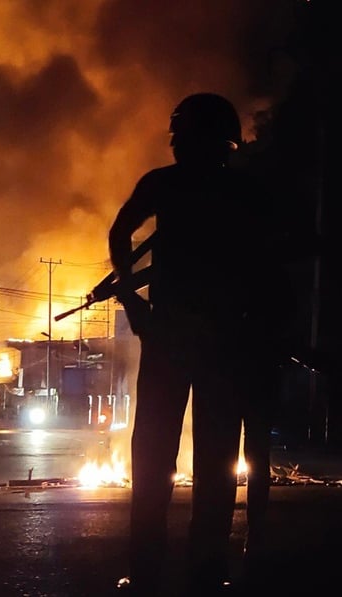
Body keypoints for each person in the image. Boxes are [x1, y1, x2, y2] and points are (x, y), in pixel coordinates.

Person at [108, 92, 293, 594]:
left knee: (157, 458)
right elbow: (271, 268)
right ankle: (204, 569)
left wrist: (132, 299)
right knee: (209, 461)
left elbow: (121, 232)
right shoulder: (243, 193)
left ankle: (152, 568)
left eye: (181, 134)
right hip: (219, 342)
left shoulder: (166, 185)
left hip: (180, 337)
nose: (175, 144)